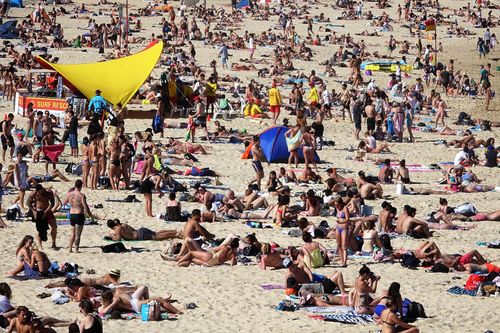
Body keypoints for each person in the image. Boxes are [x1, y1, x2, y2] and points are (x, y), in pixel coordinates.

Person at [98, 286, 183, 315]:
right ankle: (177, 311)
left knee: (144, 288)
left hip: (134, 300)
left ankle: (151, 302)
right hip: (136, 305)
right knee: (160, 300)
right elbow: (103, 312)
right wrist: (114, 303)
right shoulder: (114, 300)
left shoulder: (116, 292)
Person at [62, 180, 92, 253]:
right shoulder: (81, 195)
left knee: (72, 233)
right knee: (78, 234)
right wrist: (89, 214)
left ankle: (69, 249)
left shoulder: (69, 194)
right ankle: (76, 249)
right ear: (81, 186)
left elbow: (64, 202)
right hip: (79, 214)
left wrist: (72, 204)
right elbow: (85, 206)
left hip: (72, 214)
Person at [28, 184, 56, 249]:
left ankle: (53, 243)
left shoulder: (48, 192)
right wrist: (33, 211)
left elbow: (52, 204)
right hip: (39, 211)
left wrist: (46, 212)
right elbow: (28, 203)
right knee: (40, 229)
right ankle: (40, 245)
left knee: (54, 226)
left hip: (47, 210)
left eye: (39, 191)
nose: (38, 193)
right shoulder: (34, 193)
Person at [106, 219, 181, 241]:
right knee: (156, 233)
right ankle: (174, 231)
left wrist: (112, 237)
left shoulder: (117, 229)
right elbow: (127, 231)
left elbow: (118, 238)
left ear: (110, 227)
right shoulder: (123, 224)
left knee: (157, 237)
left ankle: (175, 235)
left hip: (139, 236)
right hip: (140, 230)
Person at [334, 198, 350, 267]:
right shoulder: (338, 209)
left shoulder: (345, 208)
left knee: (344, 246)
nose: (336, 206)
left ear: (340, 204)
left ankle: (345, 262)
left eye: (337, 205)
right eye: (335, 205)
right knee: (339, 245)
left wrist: (341, 222)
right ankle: (342, 261)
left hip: (344, 228)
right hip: (338, 227)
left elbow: (347, 219)